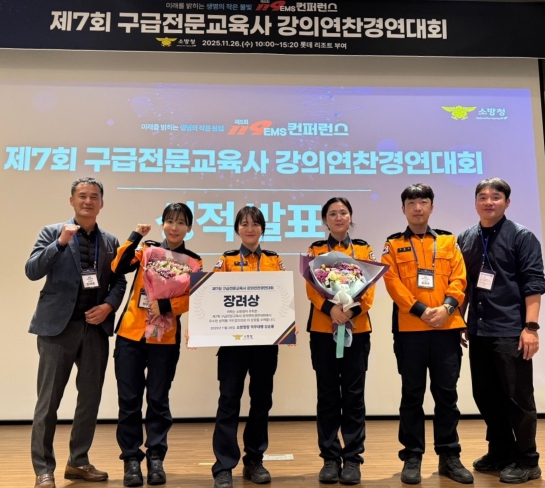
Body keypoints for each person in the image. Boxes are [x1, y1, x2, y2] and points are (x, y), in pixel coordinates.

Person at [25, 177, 127, 488]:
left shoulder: (110, 242)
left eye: (94, 196)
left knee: (90, 399)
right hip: (58, 329)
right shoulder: (52, 232)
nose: (88, 201)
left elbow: (119, 281)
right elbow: (32, 270)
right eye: (82, 196)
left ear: (101, 203)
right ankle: (44, 469)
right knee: (48, 402)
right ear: (71, 201)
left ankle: (78, 462)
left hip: (94, 329)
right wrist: (60, 243)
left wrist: (108, 306)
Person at [381, 183, 473, 485]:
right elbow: (392, 282)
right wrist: (421, 310)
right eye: (411, 203)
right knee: (412, 394)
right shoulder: (393, 244)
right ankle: (412, 456)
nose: (417, 208)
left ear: (432, 207)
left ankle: (449, 456)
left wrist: (447, 307)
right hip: (410, 330)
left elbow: (459, 278)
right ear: (403, 209)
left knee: (447, 394)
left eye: (423, 202)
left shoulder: (448, 241)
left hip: (446, 328)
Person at [457, 178, 544, 484]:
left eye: (496, 197)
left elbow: (534, 283)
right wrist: (459, 320)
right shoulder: (466, 237)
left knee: (517, 397)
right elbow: (463, 285)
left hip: (511, 329)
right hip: (479, 329)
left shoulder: (522, 236)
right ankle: (501, 450)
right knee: (486, 395)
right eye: (482, 197)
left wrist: (531, 328)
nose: (488, 202)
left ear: (507, 202)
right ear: (475, 202)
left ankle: (528, 459)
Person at [111, 203, 203, 487]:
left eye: (181, 222)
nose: (175, 227)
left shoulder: (194, 261)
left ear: (189, 228)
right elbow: (118, 266)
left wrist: (165, 305)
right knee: (129, 401)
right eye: (170, 221)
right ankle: (130, 460)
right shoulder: (147, 251)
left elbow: (195, 297)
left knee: (158, 401)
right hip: (131, 334)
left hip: (165, 338)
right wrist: (135, 236)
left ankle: (156, 458)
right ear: (162, 224)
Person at [211, 206, 285, 488]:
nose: (250, 229)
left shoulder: (274, 260)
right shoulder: (227, 260)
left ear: (262, 228)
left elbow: (282, 297)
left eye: (255, 224)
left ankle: (254, 460)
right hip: (233, 344)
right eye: (244, 224)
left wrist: (286, 322)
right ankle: (224, 466)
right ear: (237, 229)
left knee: (261, 401)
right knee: (229, 401)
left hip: (265, 343)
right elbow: (212, 295)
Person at [305, 197, 375, 485]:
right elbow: (311, 288)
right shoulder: (315, 250)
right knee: (328, 396)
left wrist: (349, 312)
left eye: (343, 212)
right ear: (325, 219)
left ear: (350, 216)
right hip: (323, 330)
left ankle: (353, 459)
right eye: (332, 213)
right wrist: (330, 309)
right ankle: (330, 458)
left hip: (356, 331)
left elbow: (369, 291)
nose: (338, 217)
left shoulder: (363, 249)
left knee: (354, 396)